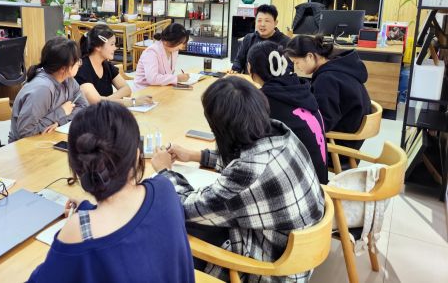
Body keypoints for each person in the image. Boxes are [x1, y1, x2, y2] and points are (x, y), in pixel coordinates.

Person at [151, 77, 324, 282]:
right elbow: (244, 157)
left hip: (274, 272)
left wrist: (164, 172)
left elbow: (186, 207)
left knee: (167, 224)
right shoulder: (281, 133)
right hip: (300, 256)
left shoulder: (248, 172)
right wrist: (195, 155)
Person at [28, 102, 195, 283]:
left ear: (77, 169)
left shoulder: (78, 232)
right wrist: (88, 210)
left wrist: (84, 218)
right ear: (137, 156)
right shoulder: (164, 187)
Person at [246, 41, 328, 183]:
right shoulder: (300, 87)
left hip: (300, 187)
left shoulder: (264, 102)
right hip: (319, 181)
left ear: (250, 68)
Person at [285, 35, 371, 150]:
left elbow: (323, 123)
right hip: (350, 135)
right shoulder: (338, 67)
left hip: (339, 145)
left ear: (310, 56)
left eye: (297, 62)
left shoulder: (326, 80)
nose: (296, 67)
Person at [9, 37, 88, 143]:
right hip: (25, 145)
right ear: (63, 68)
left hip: (47, 138)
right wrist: (61, 112)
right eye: (77, 60)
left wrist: (59, 121)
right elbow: (26, 132)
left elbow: (83, 107)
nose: (79, 63)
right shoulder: (42, 89)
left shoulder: (69, 80)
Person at [76, 24, 152, 107]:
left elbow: (127, 89)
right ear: (98, 47)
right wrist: (133, 102)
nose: (115, 48)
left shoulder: (106, 65)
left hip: (106, 111)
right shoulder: (81, 68)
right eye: (112, 44)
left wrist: (107, 100)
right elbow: (97, 102)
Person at [230, 4, 290, 74]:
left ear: (275, 23)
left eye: (267, 21)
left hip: (273, 80)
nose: (262, 24)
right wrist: (235, 70)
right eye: (259, 20)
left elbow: (288, 68)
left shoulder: (286, 42)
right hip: (249, 79)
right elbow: (239, 61)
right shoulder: (249, 38)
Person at [134, 23, 190, 88]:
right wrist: (177, 78)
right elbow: (152, 79)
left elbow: (168, 74)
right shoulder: (151, 52)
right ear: (167, 42)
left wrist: (175, 79)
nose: (181, 46)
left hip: (161, 87)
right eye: (179, 43)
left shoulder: (173, 50)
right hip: (144, 89)